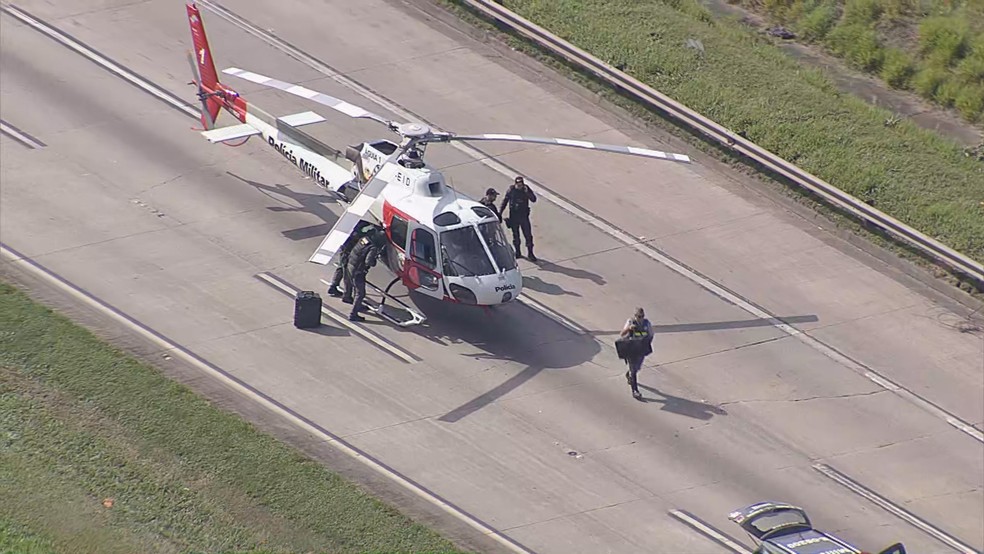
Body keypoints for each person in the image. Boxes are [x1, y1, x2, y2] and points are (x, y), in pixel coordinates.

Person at [343, 225, 387, 321]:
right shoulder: (373, 248)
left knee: (352, 286)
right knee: (360, 293)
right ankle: (353, 314)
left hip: (350, 264)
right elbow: (369, 262)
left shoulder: (365, 239)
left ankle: (347, 297)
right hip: (358, 271)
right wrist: (375, 260)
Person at [327, 221, 372, 298]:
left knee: (341, 268)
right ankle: (347, 295)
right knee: (347, 274)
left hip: (344, 250)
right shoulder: (358, 232)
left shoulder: (353, 226)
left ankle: (334, 286)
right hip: (347, 252)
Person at [499, 176, 537, 261]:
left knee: (528, 235)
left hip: (524, 216)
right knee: (515, 235)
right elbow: (505, 201)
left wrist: (528, 193)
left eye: (521, 184)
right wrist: (500, 213)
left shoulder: (526, 189)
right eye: (518, 184)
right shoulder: (511, 190)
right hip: (514, 216)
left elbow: (533, 199)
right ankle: (518, 252)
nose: (519, 186)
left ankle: (530, 253)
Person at [620, 307, 653, 400]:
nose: (640, 318)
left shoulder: (647, 324)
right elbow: (622, 334)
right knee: (633, 369)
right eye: (639, 316)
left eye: (642, 316)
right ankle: (635, 390)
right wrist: (629, 329)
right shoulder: (630, 322)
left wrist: (647, 344)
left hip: (641, 349)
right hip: (631, 349)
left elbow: (651, 335)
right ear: (635, 316)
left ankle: (629, 374)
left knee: (637, 367)